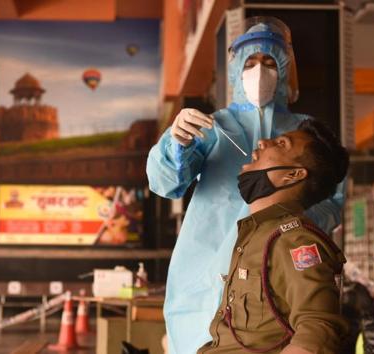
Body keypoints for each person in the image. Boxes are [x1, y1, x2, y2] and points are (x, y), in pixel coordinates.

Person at [146, 17, 345, 353]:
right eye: (250, 62)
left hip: (268, 282)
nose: (259, 70)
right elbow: (165, 183)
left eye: (269, 62)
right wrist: (174, 144)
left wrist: (283, 227)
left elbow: (316, 324)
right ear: (236, 68)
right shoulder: (216, 126)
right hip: (202, 280)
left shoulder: (305, 137)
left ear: (284, 69)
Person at [198, 118, 349, 354]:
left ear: (294, 174)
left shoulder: (296, 240)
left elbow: (319, 329)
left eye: (280, 143)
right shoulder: (257, 234)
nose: (262, 142)